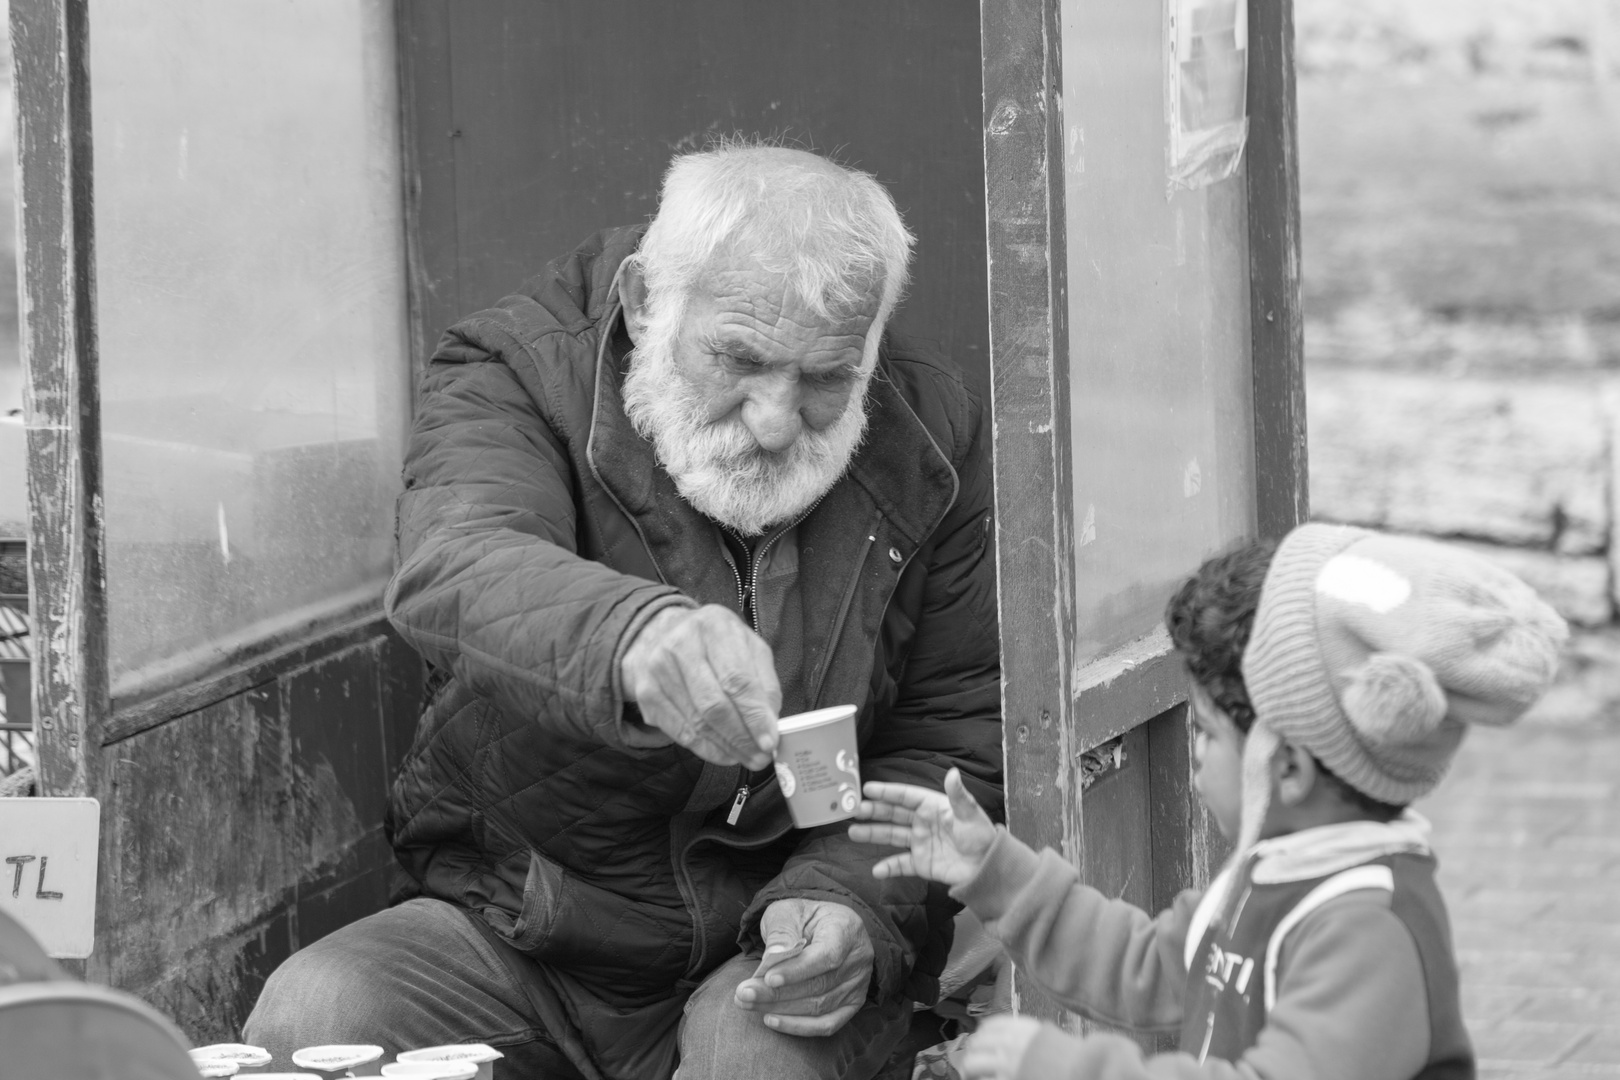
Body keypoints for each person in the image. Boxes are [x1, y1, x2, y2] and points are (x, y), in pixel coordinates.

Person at [242, 141, 1003, 1080]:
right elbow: (459, 561)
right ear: (647, 304)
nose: (776, 419)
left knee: (753, 1056)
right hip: (530, 920)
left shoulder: (929, 435)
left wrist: (850, 901)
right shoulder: (519, 368)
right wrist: (635, 641)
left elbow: (952, 729)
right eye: (740, 359)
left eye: (826, 379)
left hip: (774, 934)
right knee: (319, 1012)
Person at [853, 523, 1568, 1080]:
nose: (1193, 749)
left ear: (1284, 765)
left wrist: (1066, 1066)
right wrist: (996, 872)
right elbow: (1147, 966)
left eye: (1205, 730)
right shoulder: (1274, 872)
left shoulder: (1368, 927)